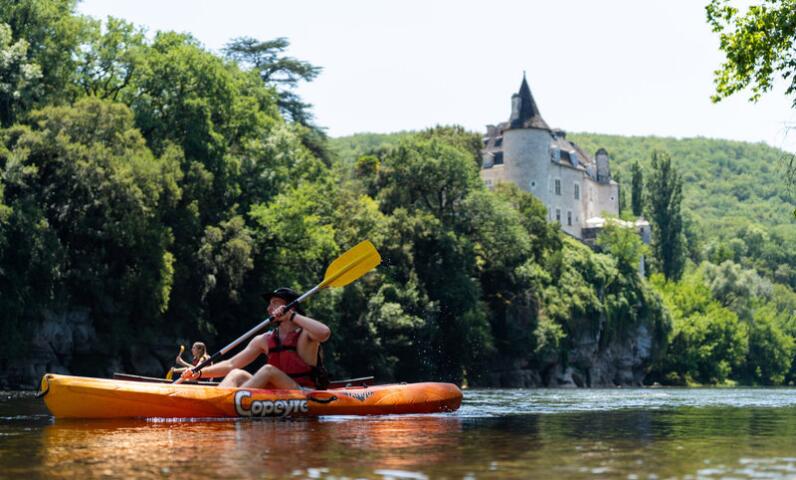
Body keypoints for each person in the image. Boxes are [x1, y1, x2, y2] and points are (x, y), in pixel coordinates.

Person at [180, 287, 331, 389]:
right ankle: (216, 403)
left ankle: (230, 403)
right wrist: (198, 372)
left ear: (289, 307)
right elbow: (231, 364)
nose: (269, 308)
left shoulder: (306, 334)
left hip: (302, 393)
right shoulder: (264, 340)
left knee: (268, 370)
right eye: (270, 304)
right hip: (275, 394)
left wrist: (292, 315)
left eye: (274, 303)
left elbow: (324, 333)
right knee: (236, 374)